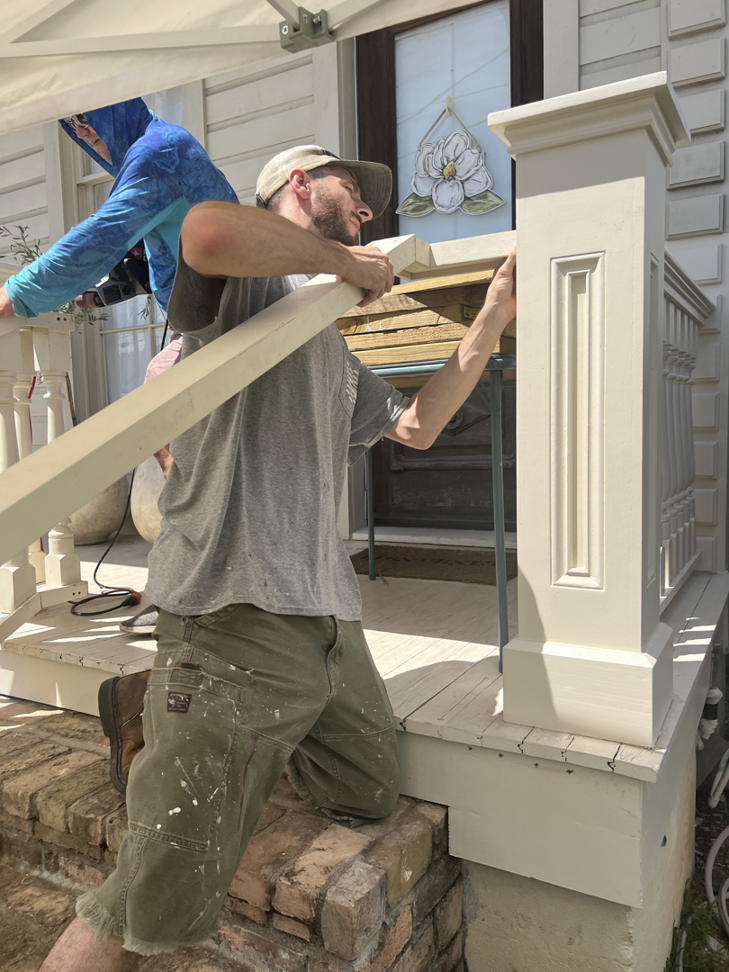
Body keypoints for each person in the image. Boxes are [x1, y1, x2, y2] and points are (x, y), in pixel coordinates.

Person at [38, 144, 516, 971]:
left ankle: (192, 728)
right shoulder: (252, 295)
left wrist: (491, 320)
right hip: (230, 617)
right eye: (351, 193)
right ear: (299, 185)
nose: (367, 212)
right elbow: (206, 232)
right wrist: (344, 262)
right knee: (150, 890)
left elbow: (414, 427)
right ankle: (183, 719)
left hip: (324, 617)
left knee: (364, 787)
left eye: (369, 208)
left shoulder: (330, 342)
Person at [0, 97, 238, 636]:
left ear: (116, 112)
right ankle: (199, 580)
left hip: (226, 320)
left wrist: (16, 293)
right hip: (207, 320)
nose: (89, 138)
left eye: (91, 123)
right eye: (75, 130)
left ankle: (197, 583)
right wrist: (101, 295)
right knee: (187, 450)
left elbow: (102, 236)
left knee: (160, 409)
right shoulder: (153, 154)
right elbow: (149, 248)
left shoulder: (160, 151)